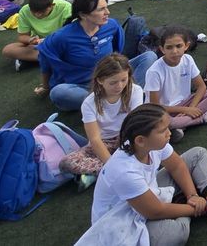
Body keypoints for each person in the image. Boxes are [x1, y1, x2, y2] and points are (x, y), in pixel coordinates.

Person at [85, 104, 207, 245]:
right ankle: (192, 203)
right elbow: (155, 211)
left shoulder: (150, 145)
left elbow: (177, 166)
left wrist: (192, 196)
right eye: (163, 130)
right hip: (122, 221)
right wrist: (196, 209)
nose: (169, 133)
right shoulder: (124, 172)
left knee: (198, 154)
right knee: (177, 233)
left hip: (147, 196)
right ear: (140, 140)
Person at [37, 0, 156, 111]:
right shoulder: (62, 36)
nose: (107, 12)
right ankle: (120, 99)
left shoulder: (112, 25)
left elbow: (117, 52)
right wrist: (46, 87)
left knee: (149, 56)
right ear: (83, 15)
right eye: (101, 9)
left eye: (106, 7)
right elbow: (45, 58)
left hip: (114, 78)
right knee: (58, 93)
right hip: (84, 86)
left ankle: (118, 98)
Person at [58, 54, 144, 185]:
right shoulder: (89, 103)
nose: (119, 86)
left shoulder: (135, 91)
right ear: (100, 80)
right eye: (113, 82)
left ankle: (99, 172)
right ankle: (113, 168)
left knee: (147, 141)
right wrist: (111, 165)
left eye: (124, 80)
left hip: (127, 136)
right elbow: (95, 139)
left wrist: (128, 143)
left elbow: (136, 123)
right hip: (105, 142)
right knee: (66, 162)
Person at [145, 26, 207, 135]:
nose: (174, 51)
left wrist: (192, 107)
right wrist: (185, 111)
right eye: (169, 47)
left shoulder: (187, 60)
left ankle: (181, 125)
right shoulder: (154, 71)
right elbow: (155, 107)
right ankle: (204, 117)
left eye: (179, 46)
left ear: (186, 46)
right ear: (162, 49)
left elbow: (201, 87)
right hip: (163, 111)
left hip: (186, 103)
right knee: (164, 122)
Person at [2, 0, 71, 75]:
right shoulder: (24, 11)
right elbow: (22, 36)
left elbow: (70, 34)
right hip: (40, 44)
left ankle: (35, 60)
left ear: (51, 6)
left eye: (42, 12)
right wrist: (30, 40)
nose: (37, 15)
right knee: (8, 50)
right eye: (33, 11)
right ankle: (51, 59)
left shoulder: (65, 7)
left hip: (60, 42)